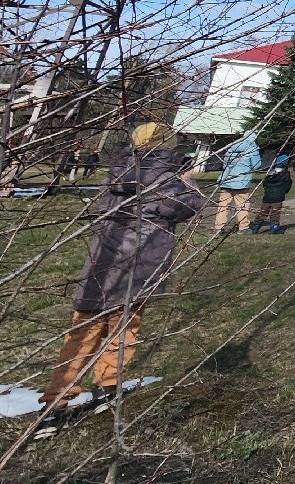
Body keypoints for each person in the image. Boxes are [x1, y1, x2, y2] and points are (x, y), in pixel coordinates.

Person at [39, 123, 204, 427]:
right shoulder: (166, 180)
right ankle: (106, 385)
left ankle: (56, 402)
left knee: (82, 334)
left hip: (101, 264)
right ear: (166, 144)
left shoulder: (114, 173)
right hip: (138, 266)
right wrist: (189, 182)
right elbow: (188, 207)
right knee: (124, 329)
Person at [213, 129, 261, 233]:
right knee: (242, 205)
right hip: (241, 182)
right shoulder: (252, 148)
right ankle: (243, 228)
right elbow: (257, 165)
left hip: (226, 180)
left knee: (222, 206)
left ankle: (218, 228)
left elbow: (225, 164)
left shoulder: (232, 147)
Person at [251, 154, 292, 234]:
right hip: (278, 197)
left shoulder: (270, 173)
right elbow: (287, 185)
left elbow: (265, 184)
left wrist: (267, 190)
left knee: (263, 211)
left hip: (267, 196)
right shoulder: (285, 174)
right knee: (275, 212)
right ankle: (274, 227)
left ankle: (256, 226)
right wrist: (284, 191)